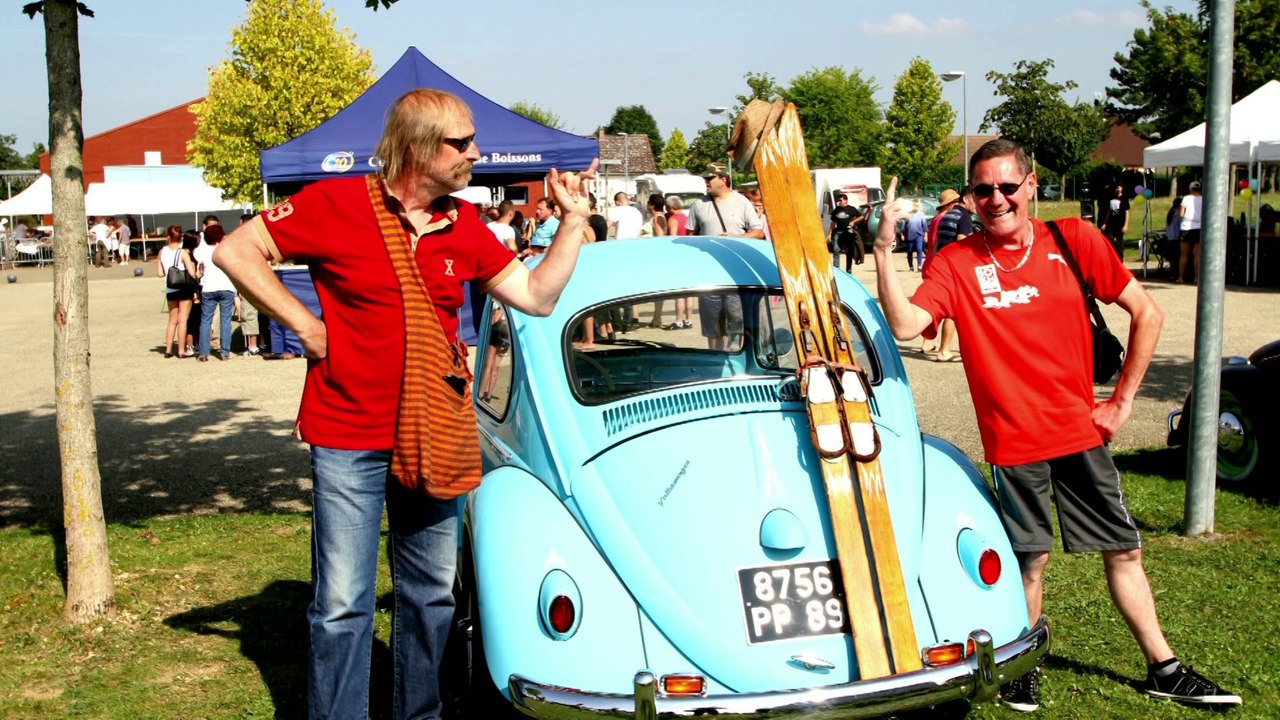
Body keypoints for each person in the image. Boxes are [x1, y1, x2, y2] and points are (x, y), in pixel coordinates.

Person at [213, 88, 596, 720]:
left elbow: (536, 295)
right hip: (348, 434)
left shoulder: (464, 224)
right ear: (418, 147)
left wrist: (575, 224)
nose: (476, 152)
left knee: (431, 597)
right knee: (341, 603)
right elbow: (237, 251)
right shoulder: (334, 203)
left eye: (473, 140)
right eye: (461, 143)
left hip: (435, 431)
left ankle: (419, 714)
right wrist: (305, 327)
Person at [871, 138, 1240, 713]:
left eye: (1006, 187)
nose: (996, 199)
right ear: (971, 196)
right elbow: (906, 325)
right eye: (982, 190)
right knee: (1029, 561)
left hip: (1079, 434)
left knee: (1122, 550)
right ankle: (1023, 667)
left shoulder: (1073, 239)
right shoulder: (956, 261)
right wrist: (883, 251)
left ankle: (1163, 666)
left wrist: (1120, 404)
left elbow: (1148, 312)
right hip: (1014, 443)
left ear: (1031, 184)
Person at [687, 170, 764, 349]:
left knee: (738, 321)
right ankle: (715, 359)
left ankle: (735, 360)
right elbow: (689, 236)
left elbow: (758, 232)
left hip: (735, 273)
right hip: (709, 273)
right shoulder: (699, 204)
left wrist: (736, 237)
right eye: (705, 179)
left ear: (723, 180)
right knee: (712, 325)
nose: (706, 182)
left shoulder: (741, 202)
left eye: (709, 179)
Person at [921, 188, 971, 362]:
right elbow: (961, 244)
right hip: (950, 266)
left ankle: (927, 342)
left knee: (937, 308)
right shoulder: (958, 217)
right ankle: (943, 349)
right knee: (950, 310)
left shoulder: (939, 218)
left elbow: (933, 245)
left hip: (937, 263)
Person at [193, 224, 236, 361]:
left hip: (209, 287)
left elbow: (200, 270)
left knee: (206, 320)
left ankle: (204, 352)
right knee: (225, 320)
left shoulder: (203, 252)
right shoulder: (227, 250)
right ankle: (225, 351)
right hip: (226, 286)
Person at [156, 224, 198, 358]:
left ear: (168, 236)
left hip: (170, 288)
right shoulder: (183, 252)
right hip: (184, 288)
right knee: (183, 320)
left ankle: (168, 349)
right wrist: (199, 273)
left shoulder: (162, 251)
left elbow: (160, 273)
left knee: (172, 320)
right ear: (181, 237)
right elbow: (192, 273)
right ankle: (181, 350)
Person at [236, 213, 264, 356]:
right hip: (261, 282)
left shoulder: (245, 242)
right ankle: (259, 343)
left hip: (250, 282)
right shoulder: (262, 239)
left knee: (249, 314)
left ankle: (253, 346)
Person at [828, 192, 864, 271]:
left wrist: (853, 222)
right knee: (836, 249)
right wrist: (830, 234)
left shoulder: (851, 209)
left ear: (846, 201)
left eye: (840, 200)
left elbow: (861, 216)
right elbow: (833, 223)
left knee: (849, 251)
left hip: (848, 231)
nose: (839, 202)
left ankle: (849, 270)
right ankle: (836, 269)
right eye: (838, 201)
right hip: (839, 231)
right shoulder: (836, 210)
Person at [1178, 181, 1204, 284]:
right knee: (1197, 254)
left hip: (1186, 226)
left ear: (1190, 189)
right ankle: (1196, 277)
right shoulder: (1204, 198)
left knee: (1184, 254)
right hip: (1199, 227)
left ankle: (1181, 277)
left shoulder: (1186, 198)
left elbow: (1181, 214)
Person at [1097, 184, 1130, 260]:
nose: (1118, 189)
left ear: (1122, 189)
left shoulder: (1124, 199)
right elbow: (1109, 211)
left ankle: (1120, 258)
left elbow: (1127, 212)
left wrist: (1126, 225)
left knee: (1119, 240)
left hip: (1120, 222)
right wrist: (1105, 223)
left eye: (1119, 188)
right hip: (1112, 222)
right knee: (1109, 239)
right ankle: (1111, 257)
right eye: (1116, 188)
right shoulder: (1112, 199)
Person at [904, 200, 928, 272]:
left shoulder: (921, 215)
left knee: (919, 249)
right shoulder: (908, 214)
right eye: (914, 206)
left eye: (917, 206)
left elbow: (924, 226)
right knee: (910, 251)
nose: (915, 207)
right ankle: (911, 266)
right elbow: (904, 225)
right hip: (910, 235)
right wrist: (902, 233)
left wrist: (925, 235)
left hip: (919, 235)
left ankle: (919, 265)